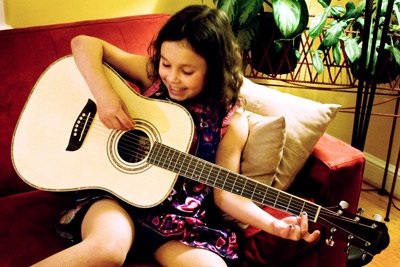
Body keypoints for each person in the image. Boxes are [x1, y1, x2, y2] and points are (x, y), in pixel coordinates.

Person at [33, 5, 320, 267]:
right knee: (107, 249)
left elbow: (226, 196)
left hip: (179, 223)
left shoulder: (230, 120)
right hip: (118, 199)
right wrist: (105, 96)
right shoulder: (153, 78)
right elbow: (84, 43)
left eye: (187, 71)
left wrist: (275, 225)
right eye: (167, 64)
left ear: (214, 70)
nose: (172, 77)